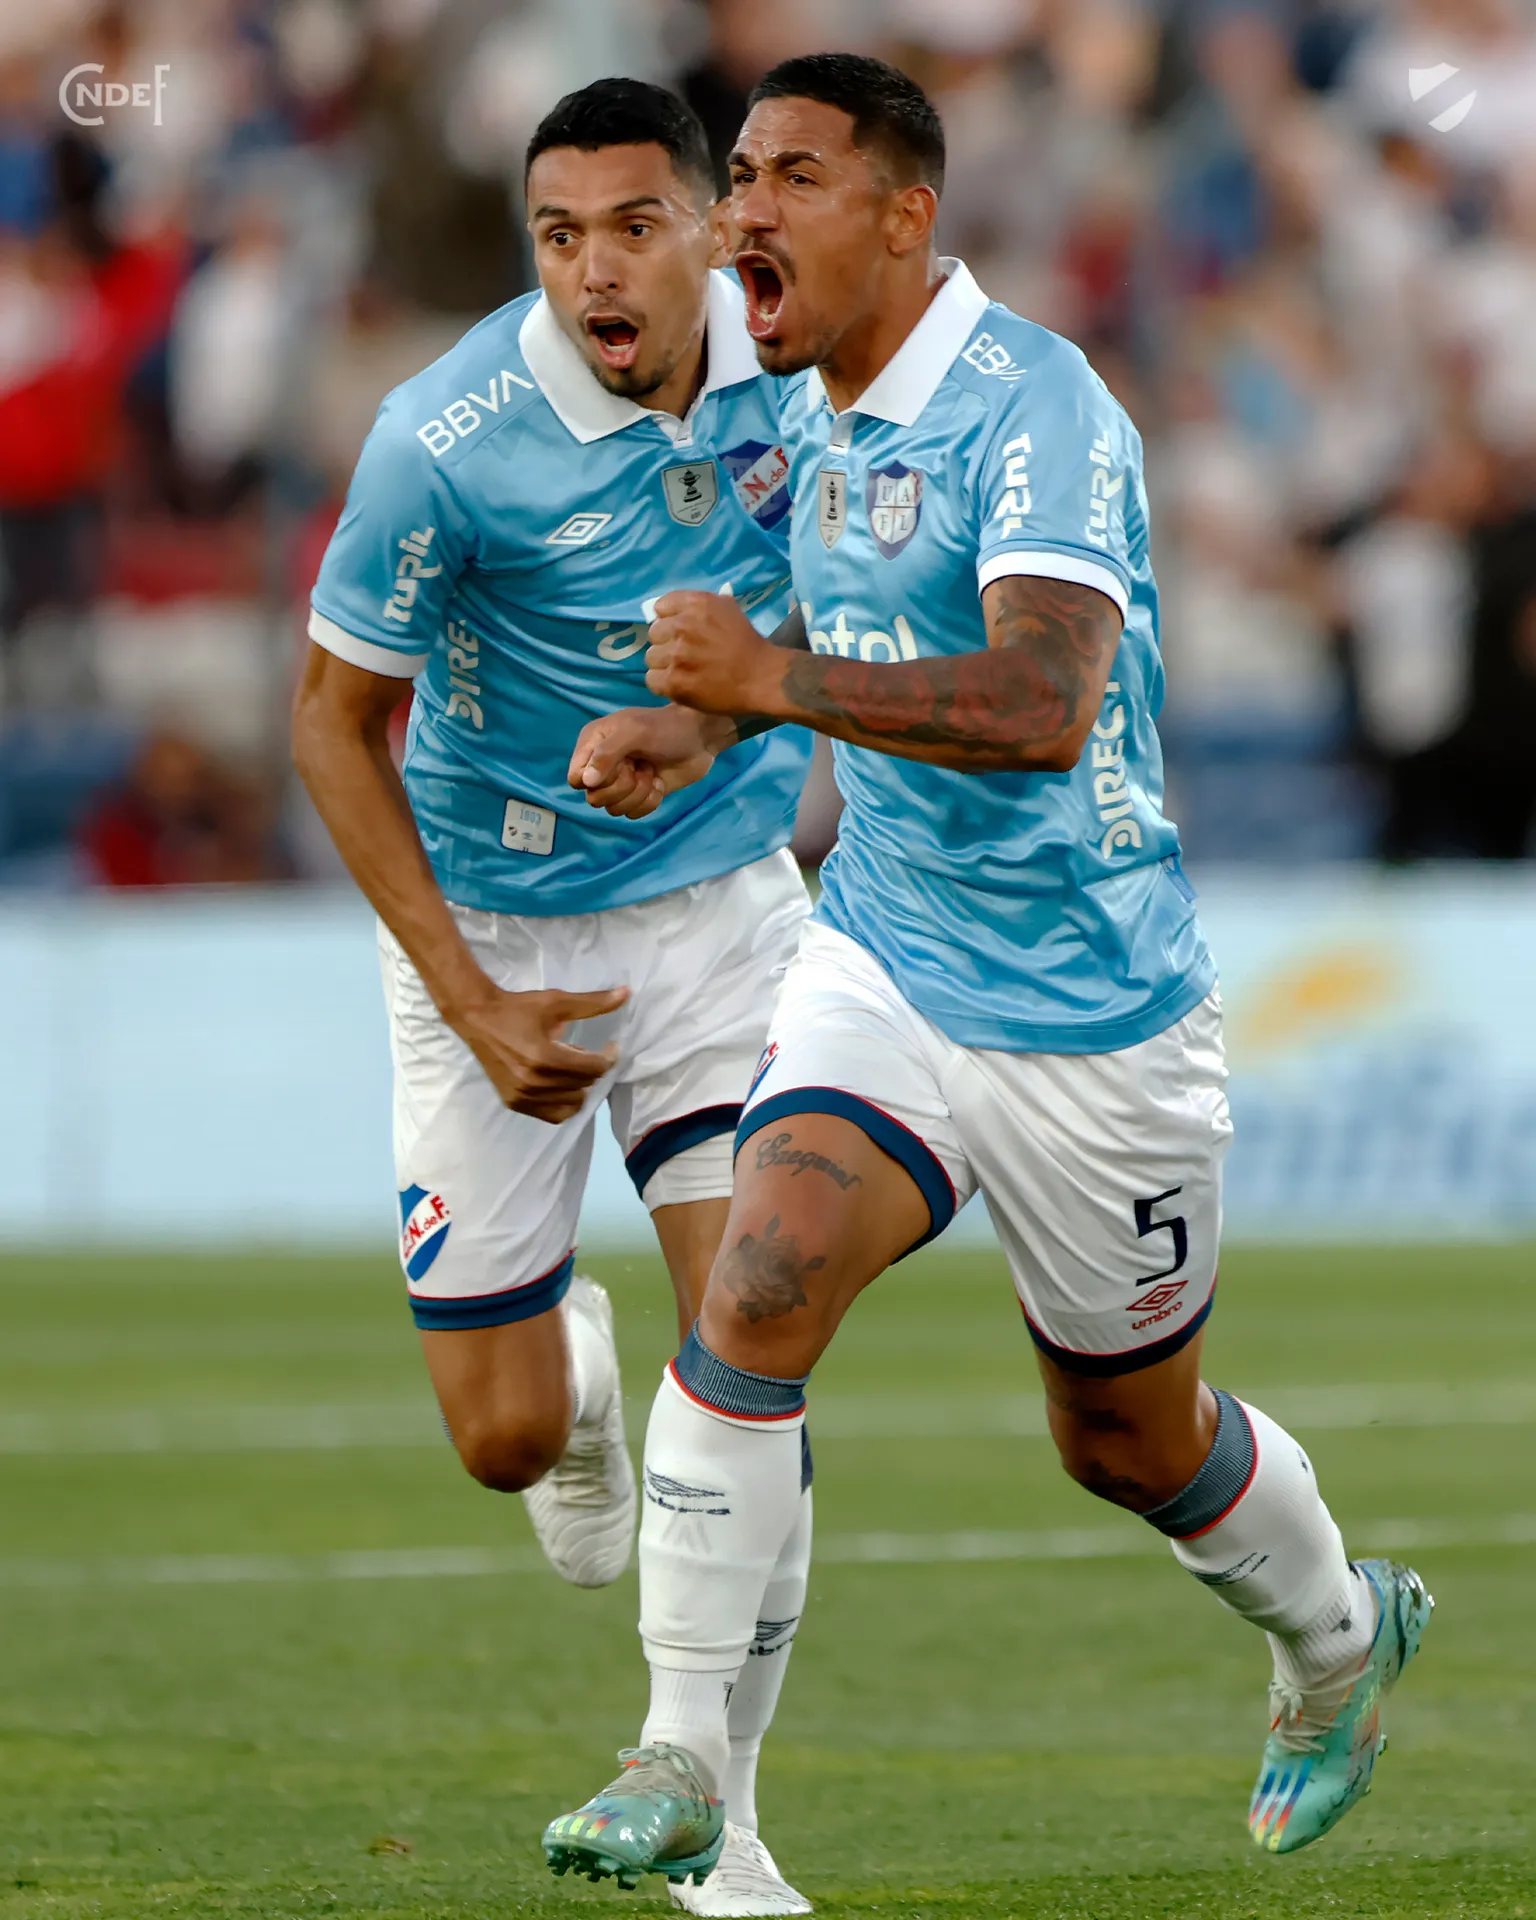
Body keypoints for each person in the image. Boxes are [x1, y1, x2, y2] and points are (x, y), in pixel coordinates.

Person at [546, 54, 1432, 1890]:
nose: (743, 212)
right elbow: (849, 606)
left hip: (1095, 1014)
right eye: (739, 178)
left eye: (791, 177)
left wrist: (762, 686)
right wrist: (699, 728)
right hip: (885, 949)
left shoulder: (1041, 405)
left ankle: (1339, 1636)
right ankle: (681, 1757)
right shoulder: (815, 408)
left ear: (906, 215)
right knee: (759, 1281)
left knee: (1127, 1440)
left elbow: (1041, 701)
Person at [292, 80, 816, 1917]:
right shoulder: (443, 438)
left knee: (755, 1346)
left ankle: (725, 1823)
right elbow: (330, 725)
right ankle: (577, 1387)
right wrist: (471, 999)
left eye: (633, 226)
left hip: (723, 913)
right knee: (502, 1439)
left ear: (712, 227)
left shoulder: (803, 368)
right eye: (558, 234)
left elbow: (857, 606)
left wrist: (712, 725)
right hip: (498, 934)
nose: (595, 268)